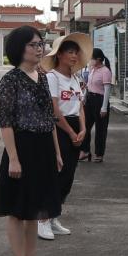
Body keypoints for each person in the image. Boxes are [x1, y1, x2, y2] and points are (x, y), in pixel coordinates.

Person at [0, 26, 62, 256]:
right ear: (19, 48)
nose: (39, 48)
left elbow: (49, 118)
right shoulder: (10, 81)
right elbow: (5, 122)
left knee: (35, 210)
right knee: (17, 210)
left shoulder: (42, 77)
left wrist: (56, 152)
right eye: (33, 44)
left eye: (41, 43)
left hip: (43, 147)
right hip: (21, 147)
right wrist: (13, 158)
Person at [40, 35, 87, 240]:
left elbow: (80, 107)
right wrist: (70, 132)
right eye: (70, 52)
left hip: (76, 127)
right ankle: (42, 219)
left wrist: (83, 129)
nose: (74, 56)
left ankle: (54, 216)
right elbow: (54, 109)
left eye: (76, 53)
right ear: (59, 55)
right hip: (59, 129)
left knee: (68, 175)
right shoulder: (52, 77)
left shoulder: (76, 79)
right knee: (55, 174)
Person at [79, 47, 112, 162]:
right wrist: (84, 97)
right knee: (85, 126)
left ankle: (99, 154)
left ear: (98, 59)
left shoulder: (105, 71)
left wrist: (104, 107)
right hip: (89, 99)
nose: (90, 60)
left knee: (100, 129)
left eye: (91, 58)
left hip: (100, 100)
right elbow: (88, 85)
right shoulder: (92, 69)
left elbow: (107, 90)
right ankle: (85, 151)